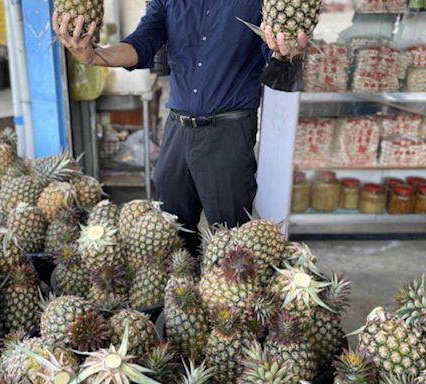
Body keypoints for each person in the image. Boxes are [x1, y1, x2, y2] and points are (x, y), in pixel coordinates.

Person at [53, 1, 307, 255]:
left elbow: (274, 55)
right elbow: (142, 43)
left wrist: (284, 53)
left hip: (227, 131)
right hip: (177, 128)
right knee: (172, 234)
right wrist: (94, 56)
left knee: (232, 242)